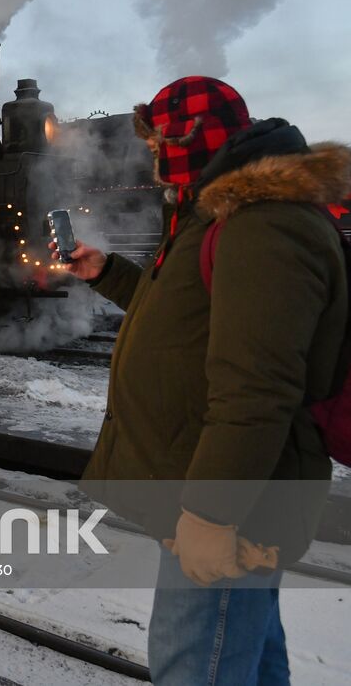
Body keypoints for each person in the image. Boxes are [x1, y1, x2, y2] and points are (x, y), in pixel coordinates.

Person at [57, 77, 349, 685]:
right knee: (248, 652)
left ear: (192, 138)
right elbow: (184, 323)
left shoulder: (261, 225)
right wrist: (108, 271)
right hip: (220, 484)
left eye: (161, 142)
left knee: (195, 665)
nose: (153, 156)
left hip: (233, 501)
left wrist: (212, 516)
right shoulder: (209, 214)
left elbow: (257, 389)